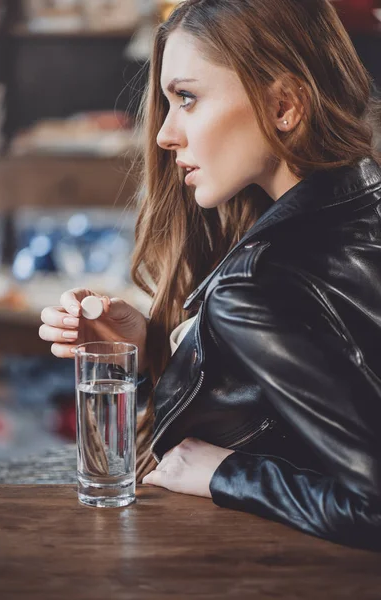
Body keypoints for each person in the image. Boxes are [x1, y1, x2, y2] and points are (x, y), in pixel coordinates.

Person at [39, 0, 381, 550]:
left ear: (284, 104)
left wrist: (224, 474)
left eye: (188, 98)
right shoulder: (360, 207)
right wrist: (159, 344)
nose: (164, 135)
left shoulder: (257, 286)